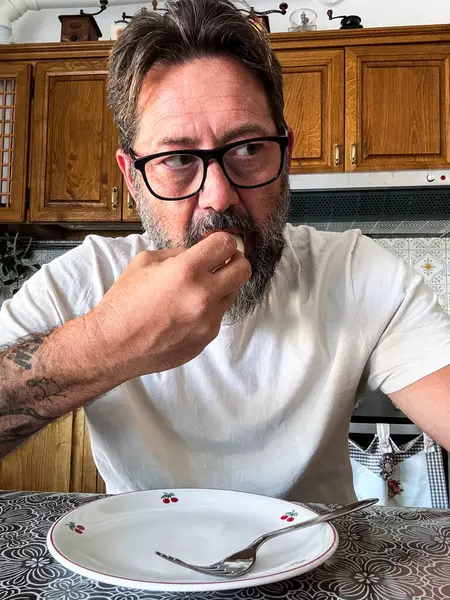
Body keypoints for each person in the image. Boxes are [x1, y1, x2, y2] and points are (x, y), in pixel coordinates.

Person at [1, 0, 450, 504]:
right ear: (132, 177)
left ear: (286, 154)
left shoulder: (356, 273)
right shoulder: (86, 279)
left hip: (318, 571)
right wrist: (109, 341)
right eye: (177, 158)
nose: (219, 197)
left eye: (248, 149)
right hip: (141, 567)